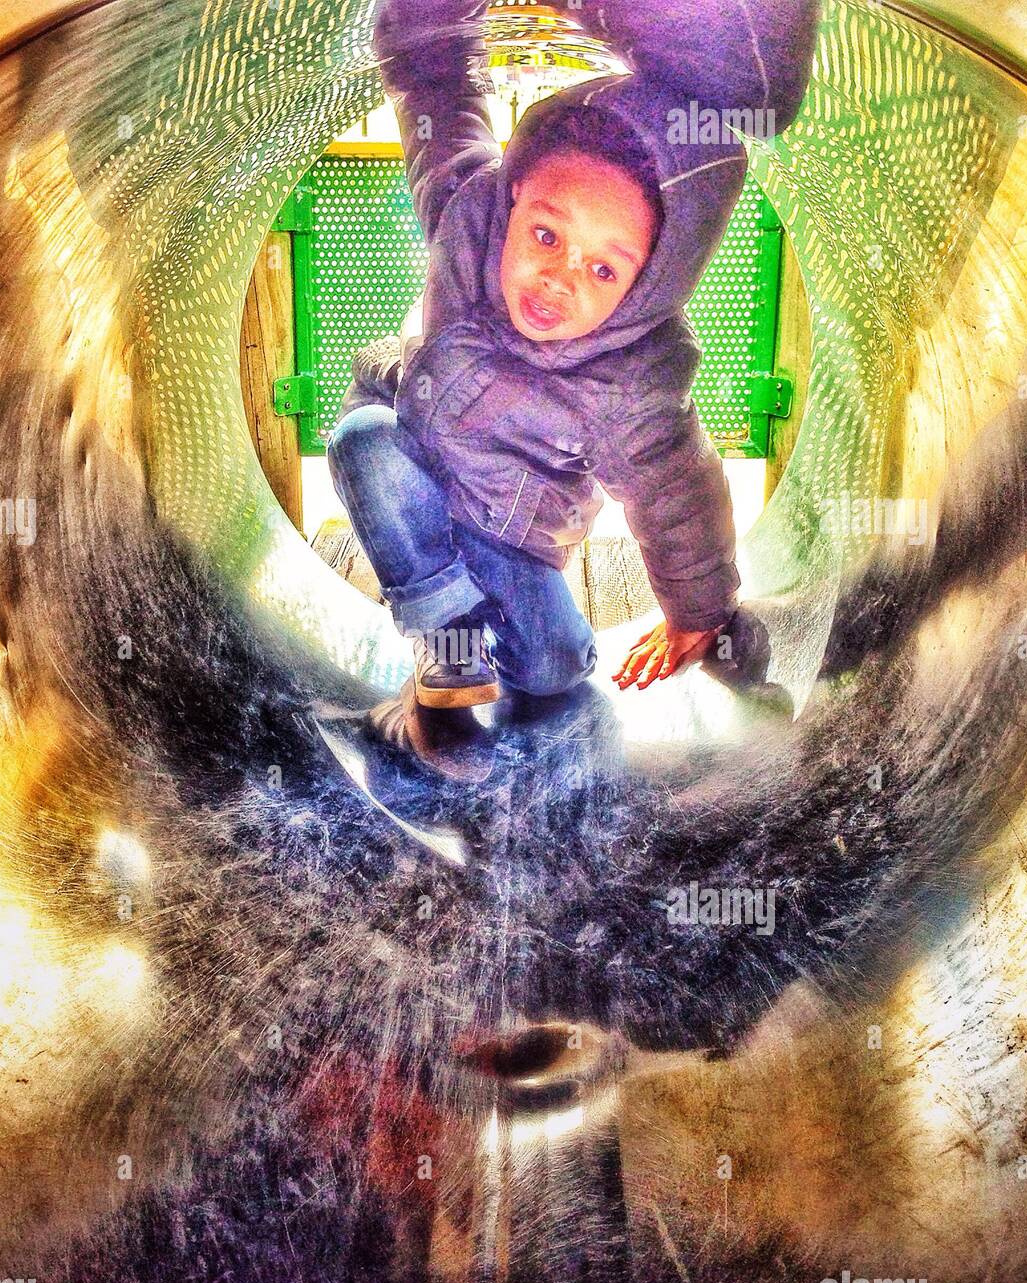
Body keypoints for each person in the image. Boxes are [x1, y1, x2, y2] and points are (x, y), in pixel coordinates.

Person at [328, 0, 819, 776]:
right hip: (418, 459)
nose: (559, 279)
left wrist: (696, 613)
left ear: (648, 280)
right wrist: (423, 32)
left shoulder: (633, 380)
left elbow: (676, 495)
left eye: (603, 269)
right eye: (548, 236)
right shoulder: (469, 217)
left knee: (554, 668)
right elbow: (439, 108)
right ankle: (446, 655)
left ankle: (721, 654)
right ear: (514, 197)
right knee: (363, 443)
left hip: (515, 533)